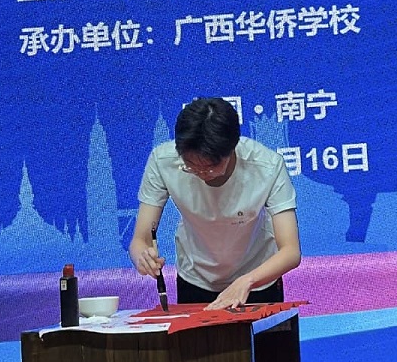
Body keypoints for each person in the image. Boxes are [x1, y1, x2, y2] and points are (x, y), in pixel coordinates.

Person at [129, 97, 301, 310]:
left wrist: (248, 281)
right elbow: (140, 240)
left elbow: (291, 251)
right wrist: (143, 257)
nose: (201, 172)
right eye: (190, 165)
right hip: (195, 280)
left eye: (210, 166)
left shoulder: (267, 166)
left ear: (232, 149)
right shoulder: (162, 161)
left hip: (257, 280)